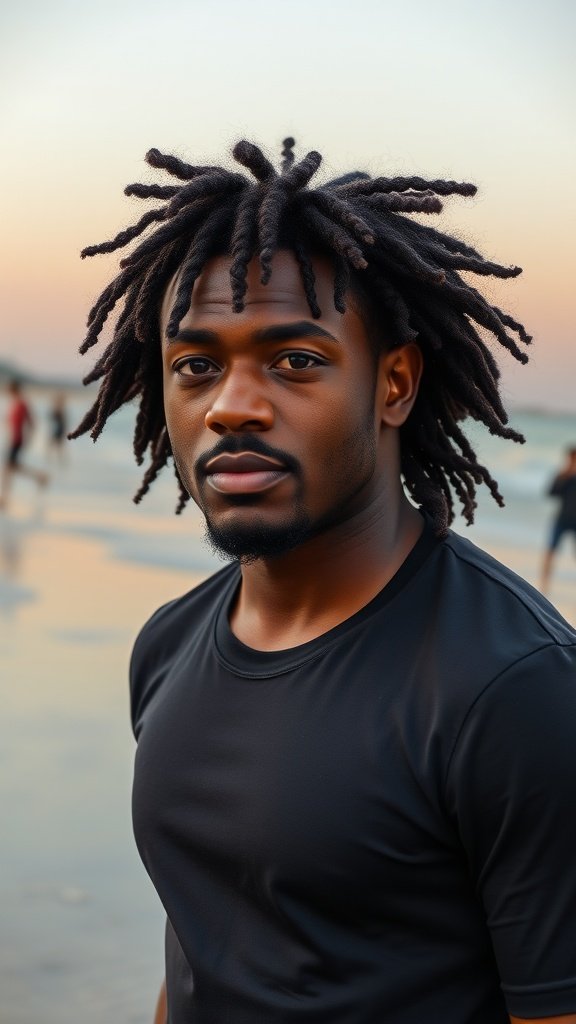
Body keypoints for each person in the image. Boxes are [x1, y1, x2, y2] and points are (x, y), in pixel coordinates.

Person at [73, 138, 576, 1024]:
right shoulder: (169, 642)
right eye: (196, 366)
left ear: (394, 384)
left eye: (295, 360)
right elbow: (201, 948)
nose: (231, 404)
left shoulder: (515, 688)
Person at [0, 379, 48, 509]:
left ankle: (4, 499)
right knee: (13, 467)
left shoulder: (22, 403)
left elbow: (32, 422)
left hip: (17, 440)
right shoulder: (15, 403)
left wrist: (29, 439)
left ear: (13, 389)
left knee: (8, 469)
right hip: (13, 439)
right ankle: (40, 478)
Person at [541, 446, 576, 592]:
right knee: (550, 552)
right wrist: (565, 476)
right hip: (561, 519)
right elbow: (551, 493)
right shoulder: (563, 475)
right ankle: (544, 586)